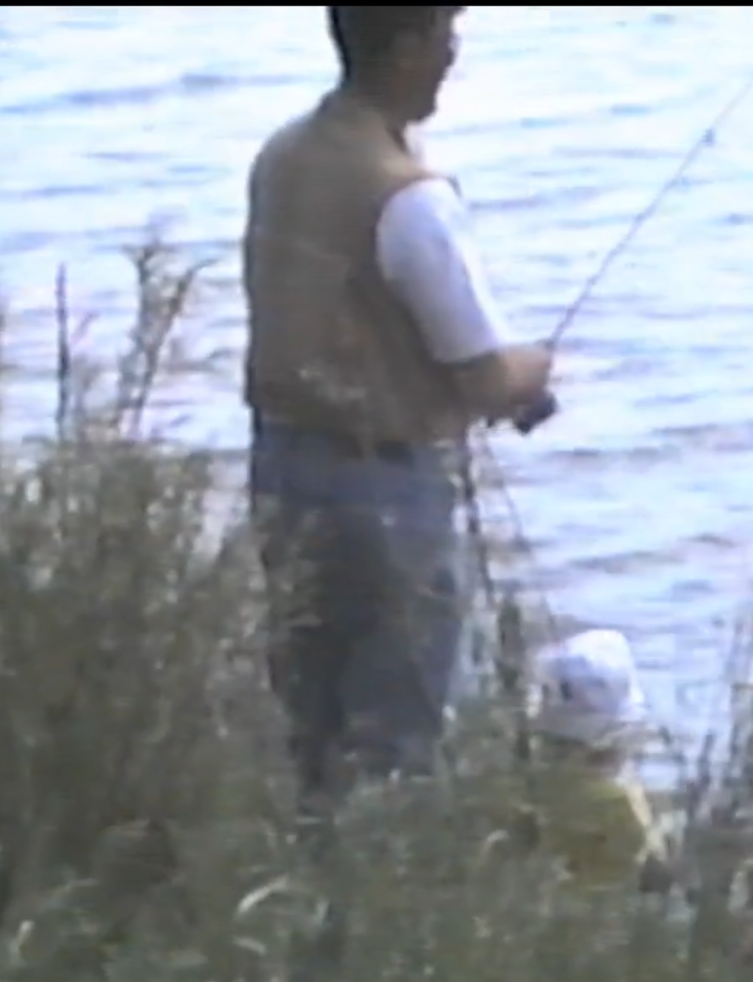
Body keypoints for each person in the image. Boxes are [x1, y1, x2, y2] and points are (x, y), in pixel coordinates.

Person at [243, 6, 556, 809]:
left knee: (309, 736)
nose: (453, 52)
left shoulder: (284, 157)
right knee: (392, 754)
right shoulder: (409, 196)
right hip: (384, 496)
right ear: (408, 48)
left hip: (281, 472)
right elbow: (486, 377)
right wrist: (536, 369)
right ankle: (373, 925)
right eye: (445, 35)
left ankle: (311, 911)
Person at [481, 629, 675, 894]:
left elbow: (513, 843)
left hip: (557, 892)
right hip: (603, 904)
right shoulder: (617, 803)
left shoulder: (542, 785)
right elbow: (648, 868)